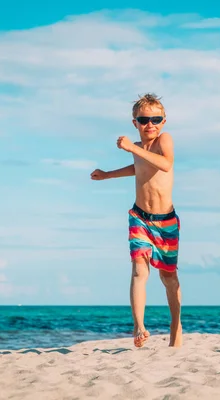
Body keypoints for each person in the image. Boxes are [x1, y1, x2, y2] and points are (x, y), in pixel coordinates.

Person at [90, 93, 182, 348]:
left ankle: (176, 327)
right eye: (144, 120)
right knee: (140, 271)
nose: (150, 124)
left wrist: (131, 147)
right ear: (135, 123)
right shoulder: (139, 149)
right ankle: (139, 326)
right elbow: (138, 167)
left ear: (163, 121)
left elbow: (165, 164)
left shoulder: (165, 139)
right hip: (139, 217)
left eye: (156, 119)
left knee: (168, 277)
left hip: (165, 221)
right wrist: (107, 175)